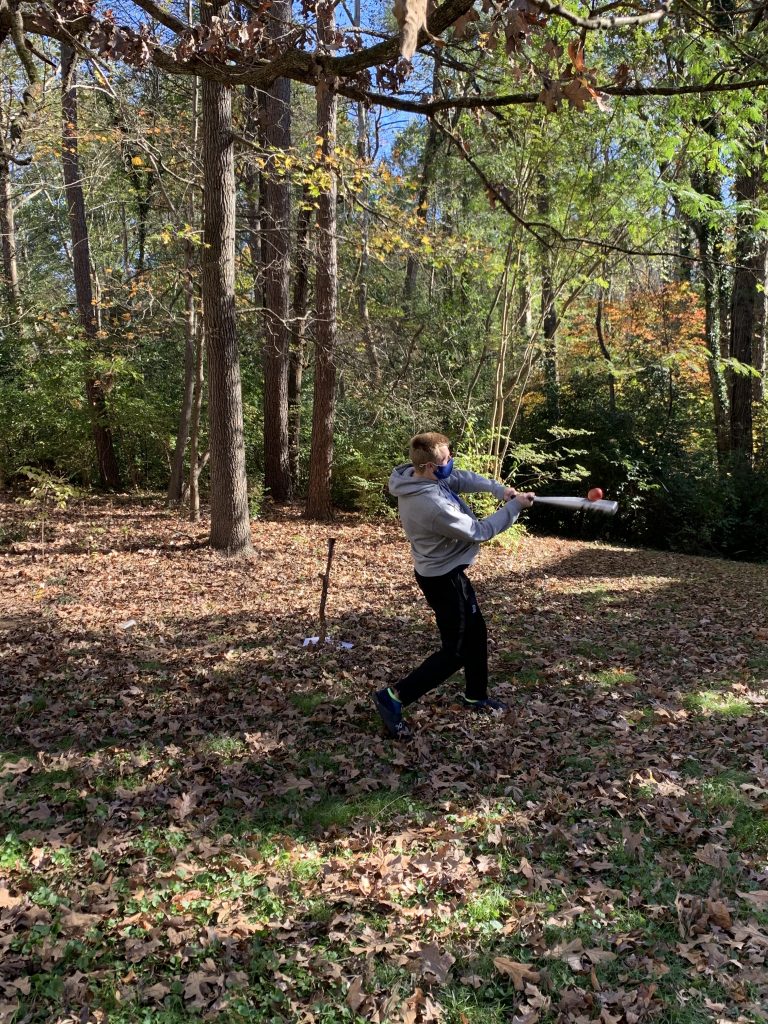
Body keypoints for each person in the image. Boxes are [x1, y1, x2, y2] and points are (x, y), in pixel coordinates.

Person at [374, 432, 535, 740]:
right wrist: (514, 508)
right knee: (457, 651)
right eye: (446, 459)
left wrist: (499, 490)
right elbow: (479, 531)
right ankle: (393, 698)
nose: (451, 463)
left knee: (476, 634)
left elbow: (461, 478)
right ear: (430, 467)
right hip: (443, 579)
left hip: (446, 573)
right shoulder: (430, 503)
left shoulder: (419, 476)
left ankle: (476, 697)